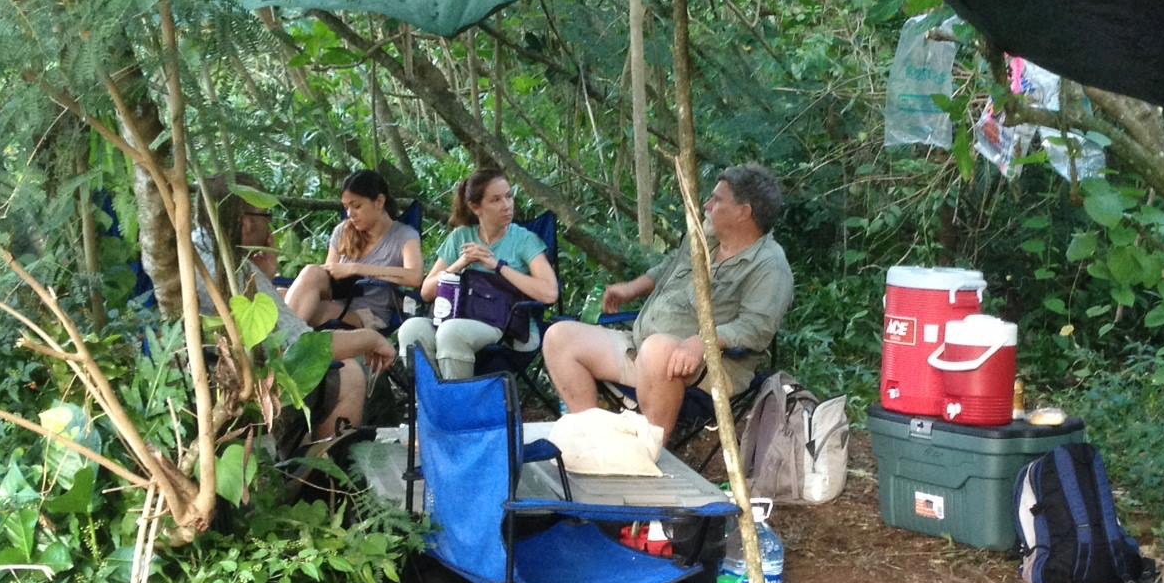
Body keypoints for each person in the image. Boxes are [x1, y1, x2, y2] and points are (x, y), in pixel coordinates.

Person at [543, 163, 793, 438]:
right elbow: (668, 267)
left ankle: (648, 451)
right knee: (559, 337)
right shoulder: (703, 238)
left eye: (717, 200)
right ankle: (592, 438)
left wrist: (703, 341)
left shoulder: (769, 265)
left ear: (743, 212)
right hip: (639, 349)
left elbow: (756, 328)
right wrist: (631, 289)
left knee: (658, 350)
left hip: (706, 368)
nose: (707, 206)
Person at [397, 168, 559, 381]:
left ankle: (458, 407)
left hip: (504, 326)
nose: (507, 205)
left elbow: (549, 294)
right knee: (411, 329)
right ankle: (434, 403)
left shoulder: (524, 240)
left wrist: (497, 266)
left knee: (450, 332)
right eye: (496, 200)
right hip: (457, 316)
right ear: (476, 207)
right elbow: (427, 292)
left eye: (509, 196)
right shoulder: (460, 237)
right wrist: (460, 264)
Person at [284, 170, 422, 333]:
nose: (350, 214)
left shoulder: (404, 235)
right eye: (346, 207)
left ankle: (282, 346)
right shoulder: (342, 231)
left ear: (379, 201)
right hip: (335, 303)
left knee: (307, 307)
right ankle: (282, 345)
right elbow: (325, 280)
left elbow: (415, 277)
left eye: (356, 206)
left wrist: (357, 269)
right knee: (282, 294)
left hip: (368, 315)